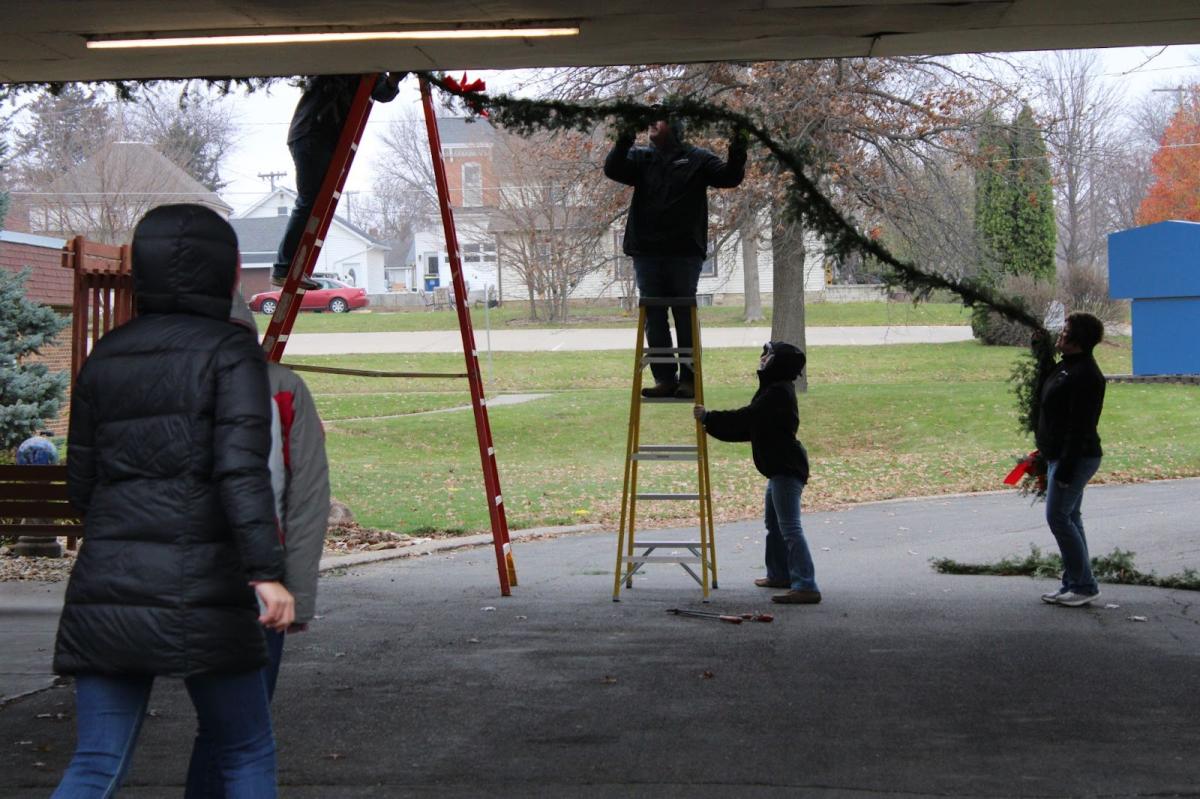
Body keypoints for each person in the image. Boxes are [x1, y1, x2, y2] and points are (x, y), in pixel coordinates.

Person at [52, 204, 294, 798]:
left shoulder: (105, 354)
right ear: (226, 272)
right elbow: (241, 471)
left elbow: (81, 483)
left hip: (108, 582)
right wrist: (266, 573)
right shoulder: (231, 352)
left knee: (95, 761)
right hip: (207, 586)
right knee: (243, 750)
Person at [185, 294, 332, 795]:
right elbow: (305, 498)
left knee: (222, 731)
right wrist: (296, 592)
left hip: (181, 579)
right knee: (243, 735)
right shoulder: (278, 387)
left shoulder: (277, 388)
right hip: (252, 583)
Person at [604, 114, 747, 399]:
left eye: (660, 119)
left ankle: (689, 380)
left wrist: (738, 145)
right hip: (647, 251)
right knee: (654, 315)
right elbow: (612, 168)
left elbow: (730, 177)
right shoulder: (641, 158)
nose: (653, 123)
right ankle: (665, 379)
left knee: (684, 313)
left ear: (675, 126)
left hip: (684, 252)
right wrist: (625, 136)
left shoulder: (698, 159)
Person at [693, 341, 818, 605]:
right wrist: (712, 424)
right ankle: (780, 574)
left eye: (768, 355)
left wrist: (709, 418)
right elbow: (750, 428)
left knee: (790, 527)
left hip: (786, 468)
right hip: (778, 468)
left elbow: (746, 419)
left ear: (778, 363)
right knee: (774, 525)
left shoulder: (777, 394)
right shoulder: (772, 390)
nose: (762, 359)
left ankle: (806, 584)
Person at [274, 73, 402, 290]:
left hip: (323, 138)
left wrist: (393, 81)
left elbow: (381, 92)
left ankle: (291, 269)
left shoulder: (368, 65)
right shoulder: (336, 61)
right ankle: (283, 269)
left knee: (315, 204)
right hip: (311, 133)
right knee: (309, 202)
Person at [1037, 311, 1107, 608]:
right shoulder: (1067, 367)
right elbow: (1046, 389)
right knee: (1070, 517)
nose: (1061, 334)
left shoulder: (1087, 376)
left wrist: (1065, 468)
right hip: (1060, 455)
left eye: (1065, 331)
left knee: (1058, 517)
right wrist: (1041, 354)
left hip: (1076, 458)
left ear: (1078, 339)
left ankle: (1084, 585)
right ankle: (1074, 583)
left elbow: (1080, 426)